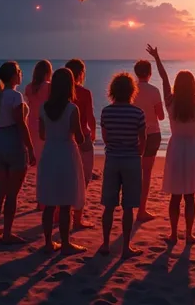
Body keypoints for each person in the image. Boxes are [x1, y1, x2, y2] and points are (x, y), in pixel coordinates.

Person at [147, 45, 195, 245]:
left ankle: (173, 234)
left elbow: (164, 80)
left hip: (175, 147)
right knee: (189, 196)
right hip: (191, 148)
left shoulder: (171, 102)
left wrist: (157, 57)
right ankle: (188, 234)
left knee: (175, 196)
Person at [38, 67, 86, 254]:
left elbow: (42, 135)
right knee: (65, 203)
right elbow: (79, 137)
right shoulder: (72, 109)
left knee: (49, 203)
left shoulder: (43, 107)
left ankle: (48, 242)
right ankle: (65, 243)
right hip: (66, 153)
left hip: (49, 153)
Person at [100, 72, 146, 259]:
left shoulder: (106, 112)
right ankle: (126, 246)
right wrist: (137, 152)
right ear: (131, 91)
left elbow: (105, 137)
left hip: (112, 159)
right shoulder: (138, 113)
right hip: (131, 160)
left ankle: (105, 243)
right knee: (129, 206)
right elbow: (142, 140)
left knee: (109, 205)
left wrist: (114, 146)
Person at [0, 62, 35, 245]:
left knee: (0, 191)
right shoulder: (15, 96)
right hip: (13, 142)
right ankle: (6, 233)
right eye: (19, 72)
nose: (21, 74)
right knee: (12, 194)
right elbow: (21, 123)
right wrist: (30, 148)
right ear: (13, 76)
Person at [65, 59, 96, 229]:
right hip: (82, 137)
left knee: (67, 177)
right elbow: (90, 116)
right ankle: (77, 218)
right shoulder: (84, 93)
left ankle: (58, 213)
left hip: (65, 138)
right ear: (81, 74)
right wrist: (94, 132)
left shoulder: (59, 94)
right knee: (84, 179)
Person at [133, 58, 164, 223]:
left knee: (133, 172)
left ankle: (132, 207)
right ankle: (142, 210)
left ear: (136, 73)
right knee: (146, 174)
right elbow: (161, 116)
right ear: (150, 73)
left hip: (132, 134)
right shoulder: (154, 90)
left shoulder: (131, 90)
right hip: (151, 134)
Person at [24, 60, 52, 205]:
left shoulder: (29, 87)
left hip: (31, 127)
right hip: (44, 126)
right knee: (46, 165)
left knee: (40, 165)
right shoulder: (48, 87)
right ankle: (44, 199)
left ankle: (40, 198)